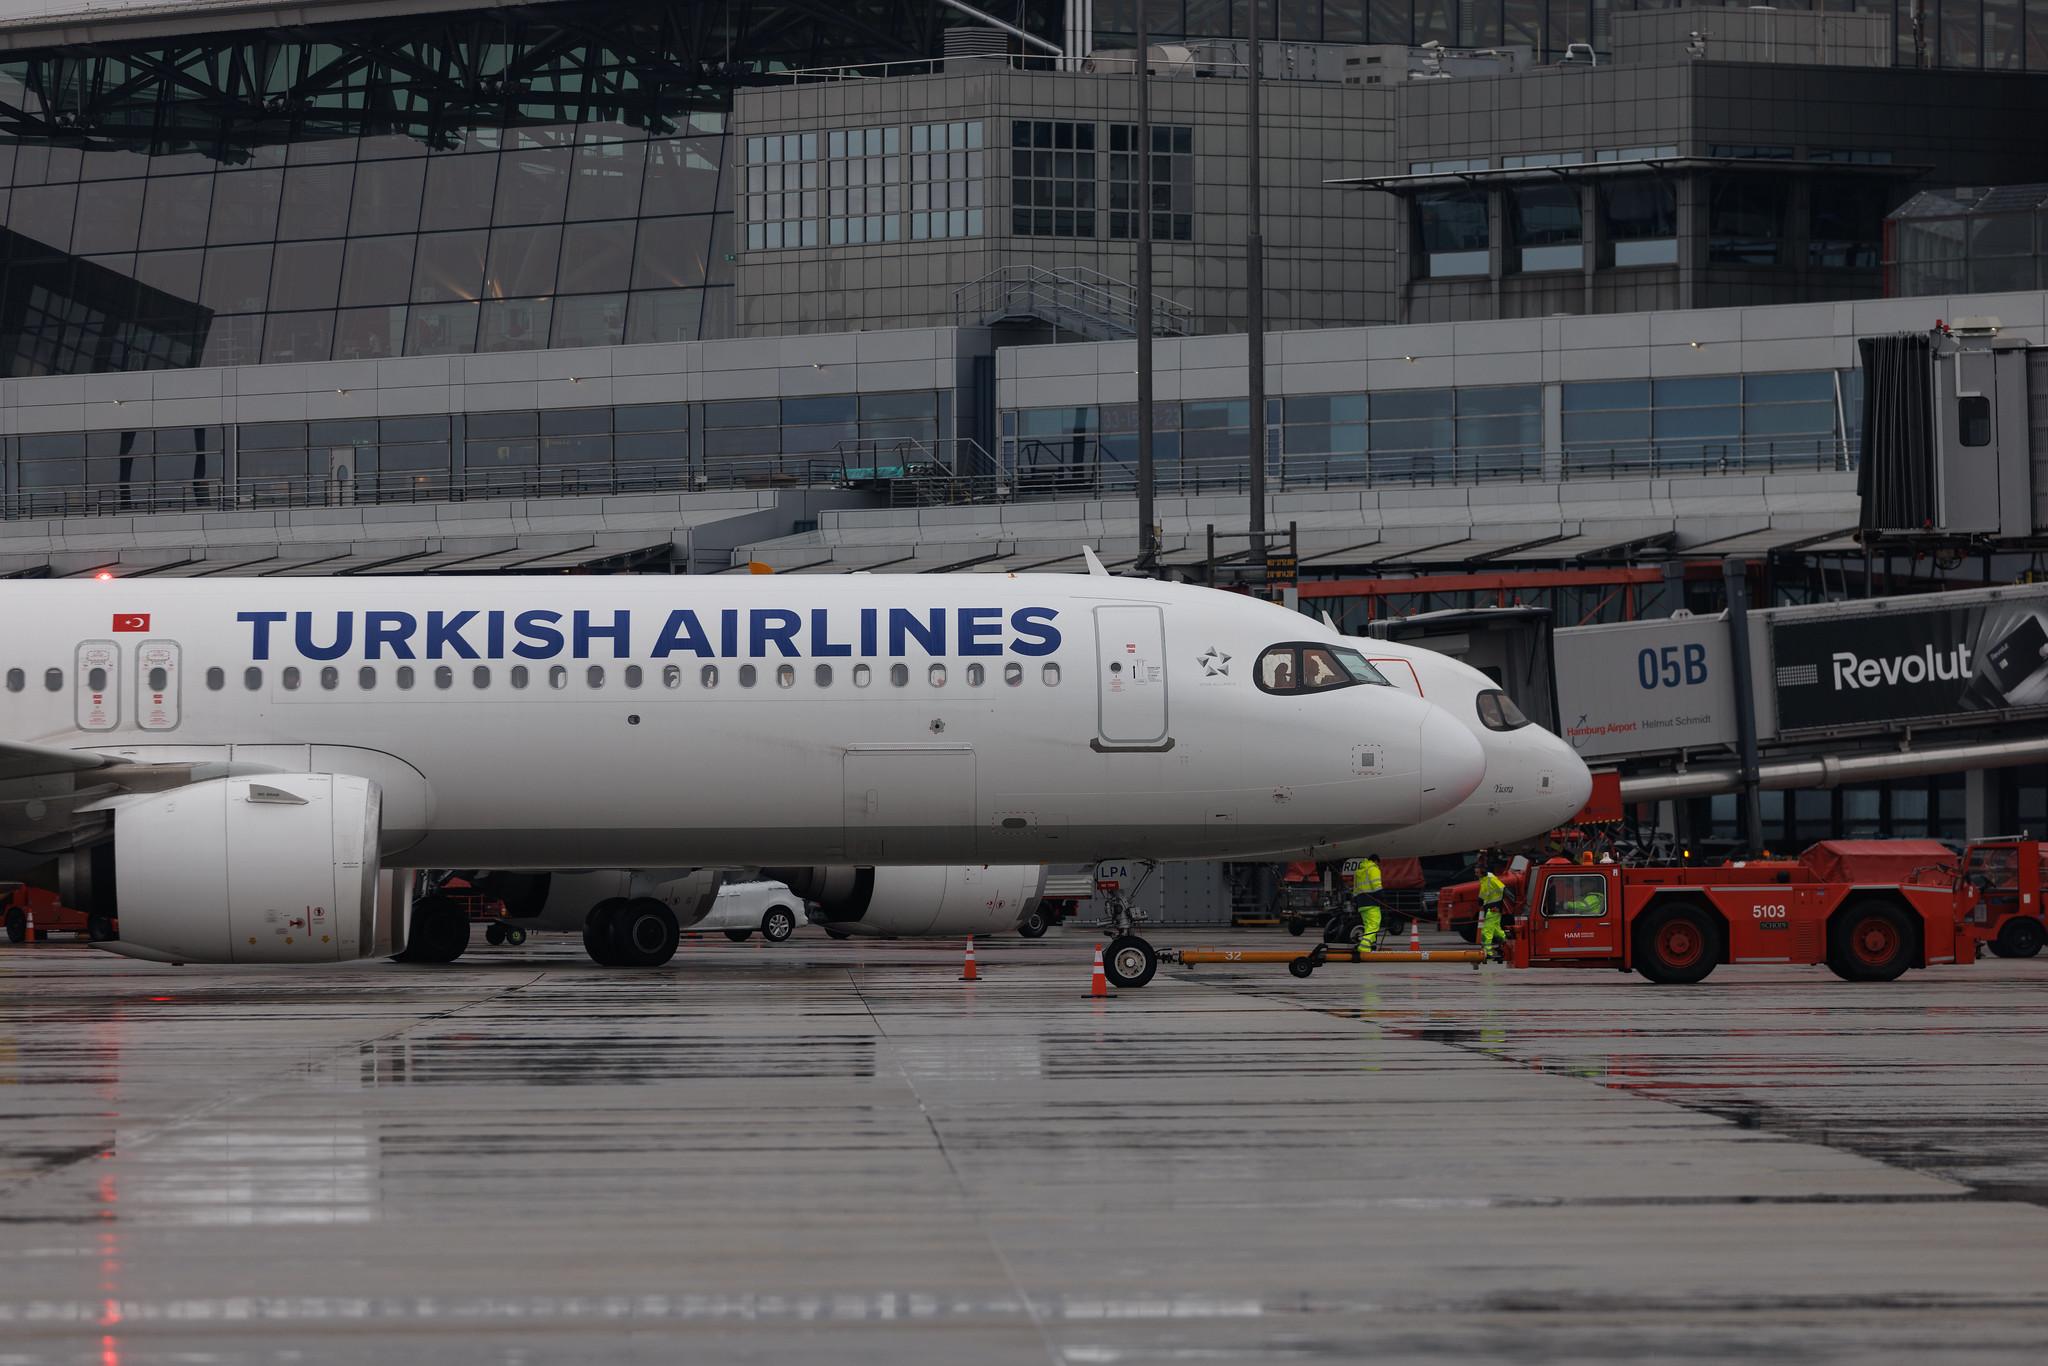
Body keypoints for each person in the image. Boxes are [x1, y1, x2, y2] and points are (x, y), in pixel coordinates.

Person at [1475, 857, 1508, 965]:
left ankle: (1487, 951)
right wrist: (1482, 899)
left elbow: (1501, 888)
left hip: (1493, 907)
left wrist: (1495, 901)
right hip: (1491, 906)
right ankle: (1508, 942)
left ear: (1483, 872)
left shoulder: (1490, 878)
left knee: (1487, 930)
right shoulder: (1484, 879)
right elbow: (1485, 891)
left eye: (1477, 872)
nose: (1476, 874)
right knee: (1495, 929)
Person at [1351, 854, 1384, 951]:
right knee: (1374, 925)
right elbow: (1377, 885)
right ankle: (1364, 947)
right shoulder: (1373, 869)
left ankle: (1371, 946)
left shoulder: (1359, 871)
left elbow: (1355, 889)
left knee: (1368, 926)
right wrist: (1382, 897)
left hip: (1361, 903)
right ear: (1376, 861)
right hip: (1371, 902)